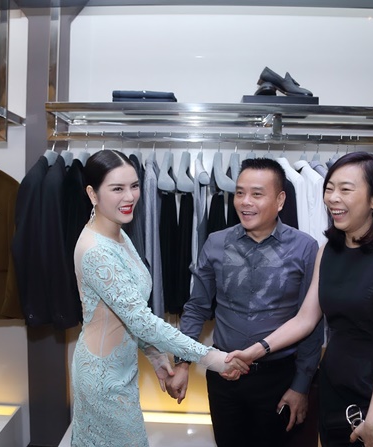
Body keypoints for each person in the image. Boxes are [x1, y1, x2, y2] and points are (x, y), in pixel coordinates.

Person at [227, 152, 373, 447]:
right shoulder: (327, 251)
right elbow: (305, 319)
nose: (333, 198)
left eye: (345, 189)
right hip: (336, 384)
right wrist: (254, 352)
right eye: (330, 188)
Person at [70, 149, 248, 447]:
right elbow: (141, 320)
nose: (130, 197)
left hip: (120, 368)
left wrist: (155, 358)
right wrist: (213, 358)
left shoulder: (118, 234)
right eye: (117, 189)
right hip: (101, 376)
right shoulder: (97, 251)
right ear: (92, 194)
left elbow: (129, 312)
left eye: (134, 186)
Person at [166, 157, 323, 447]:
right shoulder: (216, 243)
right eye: (240, 193)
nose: (245, 202)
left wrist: (301, 386)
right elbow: (197, 307)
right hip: (225, 374)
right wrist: (182, 363)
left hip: (280, 377)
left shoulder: (305, 248)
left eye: (257, 194)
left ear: (280, 200)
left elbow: (312, 322)